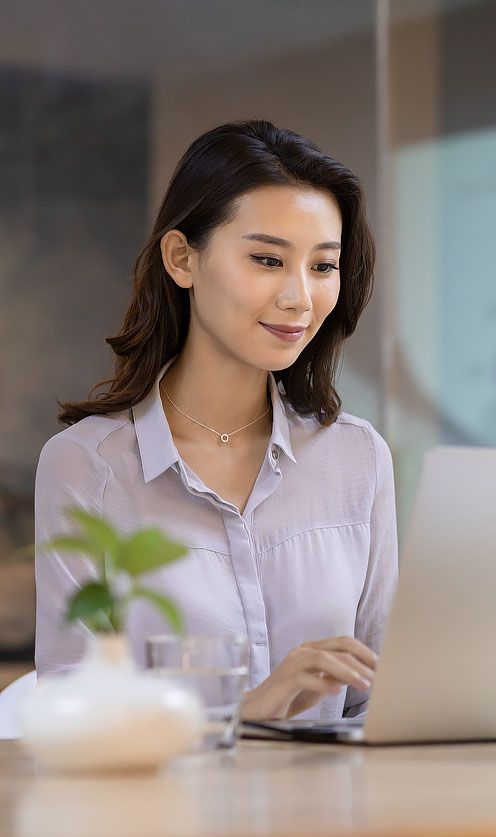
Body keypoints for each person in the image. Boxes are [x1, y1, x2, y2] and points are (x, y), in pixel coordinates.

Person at [34, 120, 397, 721]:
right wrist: (247, 712)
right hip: (166, 814)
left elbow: (376, 699)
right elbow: (73, 716)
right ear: (182, 259)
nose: (299, 298)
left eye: (323, 266)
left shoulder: (357, 457)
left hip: (337, 813)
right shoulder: (87, 467)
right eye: (266, 259)